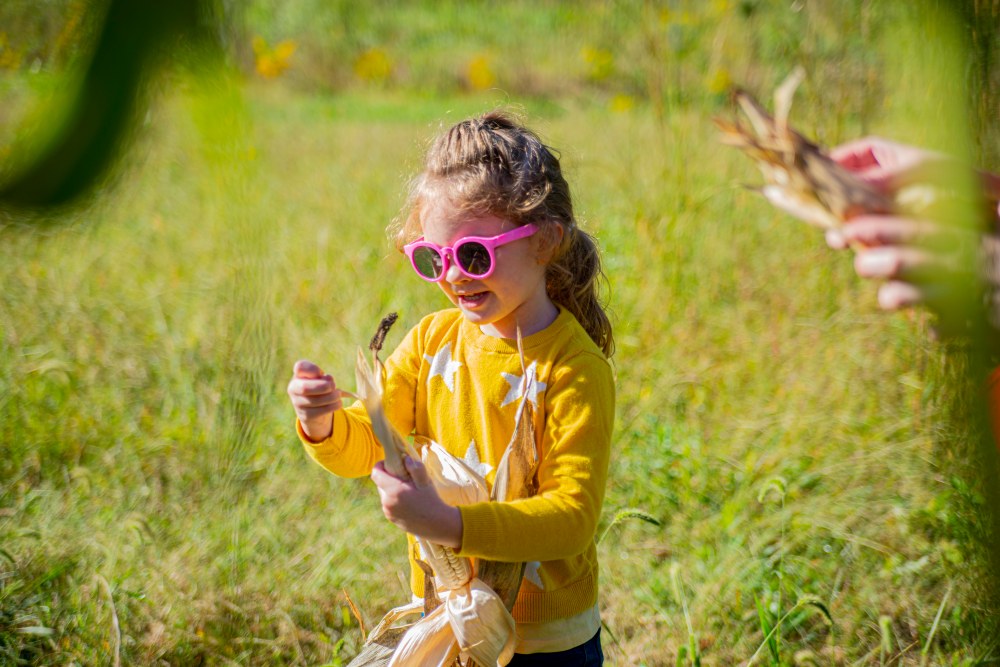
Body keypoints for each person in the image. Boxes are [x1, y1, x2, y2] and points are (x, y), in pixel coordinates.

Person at [287, 111, 614, 665]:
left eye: (473, 255)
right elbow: (370, 446)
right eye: (431, 258)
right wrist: (322, 424)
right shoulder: (433, 340)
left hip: (544, 639)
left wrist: (449, 524)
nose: (453, 275)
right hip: (447, 618)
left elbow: (571, 518)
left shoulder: (572, 367)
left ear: (546, 241)